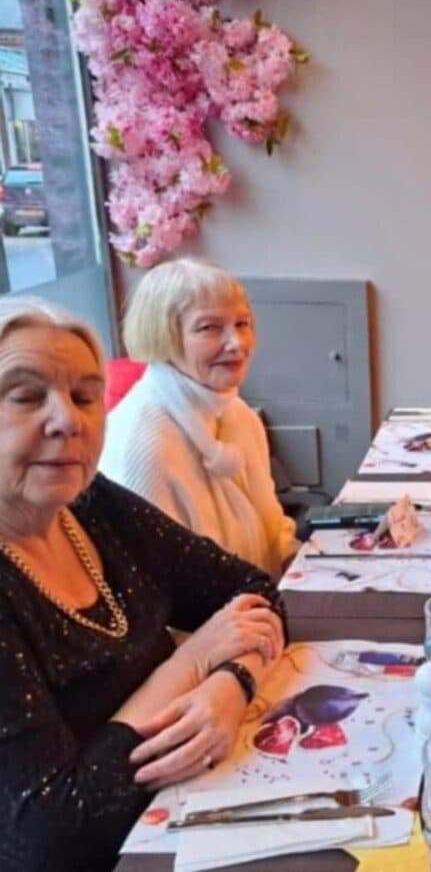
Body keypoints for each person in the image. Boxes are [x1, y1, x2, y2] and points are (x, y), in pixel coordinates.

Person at [0, 296, 287, 872]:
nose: (69, 420)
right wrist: (190, 666)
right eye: (27, 396)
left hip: (182, 815)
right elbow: (56, 835)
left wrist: (231, 684)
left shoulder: (94, 506)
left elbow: (256, 591)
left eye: (85, 396)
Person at [100, 258, 297, 578]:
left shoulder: (238, 415)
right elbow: (154, 592)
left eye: (242, 324)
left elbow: (274, 530)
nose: (237, 344)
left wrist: (308, 566)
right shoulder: (143, 444)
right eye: (209, 328)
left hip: (257, 608)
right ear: (163, 336)